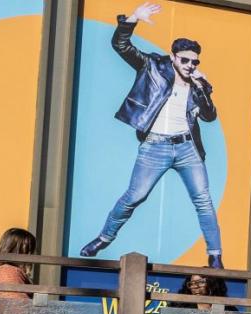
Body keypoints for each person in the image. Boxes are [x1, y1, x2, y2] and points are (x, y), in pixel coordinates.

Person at [77, 2, 225, 269]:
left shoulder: (197, 84)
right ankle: (104, 237)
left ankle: (215, 255)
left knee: (203, 199)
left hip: (187, 148)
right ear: (173, 57)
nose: (190, 65)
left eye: (195, 61)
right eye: (185, 60)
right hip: (155, 145)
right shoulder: (153, 66)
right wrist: (133, 18)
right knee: (135, 196)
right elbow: (121, 46)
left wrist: (202, 86)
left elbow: (209, 116)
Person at [0, 228, 36, 301]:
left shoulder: (2, 270)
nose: (31, 255)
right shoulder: (7, 271)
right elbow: (18, 304)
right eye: (28, 250)